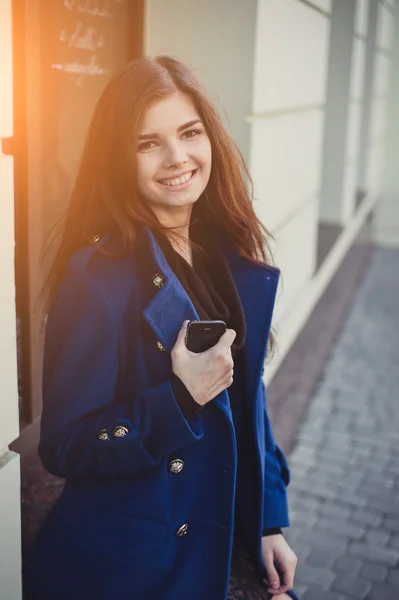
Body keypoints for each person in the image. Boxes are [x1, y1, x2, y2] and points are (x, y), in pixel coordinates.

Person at [28, 55, 299, 600]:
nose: (177, 158)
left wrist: (268, 518)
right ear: (117, 159)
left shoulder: (226, 253)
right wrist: (177, 399)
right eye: (146, 143)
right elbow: (64, 445)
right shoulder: (96, 279)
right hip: (141, 562)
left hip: (223, 528)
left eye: (189, 132)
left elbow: (247, 398)